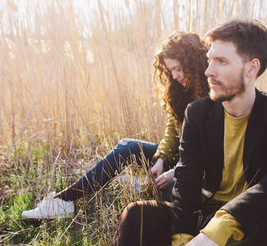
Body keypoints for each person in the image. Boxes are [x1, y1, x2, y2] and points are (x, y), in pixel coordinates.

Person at [85, 20, 267, 246]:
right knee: (137, 215)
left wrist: (220, 227)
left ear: (252, 68)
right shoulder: (198, 113)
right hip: (207, 216)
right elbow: (187, 182)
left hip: (255, 226)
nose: (208, 71)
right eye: (209, 60)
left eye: (221, 61)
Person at [21, 32, 209, 220]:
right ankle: (63, 201)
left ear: (192, 62)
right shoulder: (179, 89)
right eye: (170, 71)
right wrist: (161, 158)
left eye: (178, 69)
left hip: (201, 170)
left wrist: (174, 173)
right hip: (180, 159)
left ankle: (146, 189)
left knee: (173, 194)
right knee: (127, 146)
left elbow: (212, 153)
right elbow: (172, 130)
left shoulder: (214, 91)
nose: (175, 76)